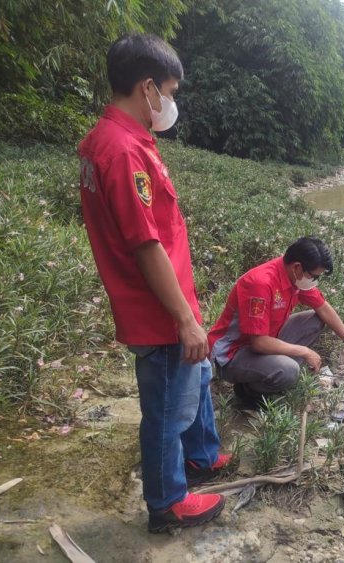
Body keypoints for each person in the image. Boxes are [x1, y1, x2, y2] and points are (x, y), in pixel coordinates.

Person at [78, 34, 229, 533]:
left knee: (197, 381)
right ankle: (166, 504)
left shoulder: (121, 140)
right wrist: (185, 320)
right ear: (147, 88)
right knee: (166, 409)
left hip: (171, 301)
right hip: (159, 312)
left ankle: (202, 457)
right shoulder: (122, 152)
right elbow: (145, 246)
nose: (171, 103)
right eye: (169, 90)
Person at [209, 237, 344, 402]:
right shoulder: (261, 284)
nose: (315, 281)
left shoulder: (295, 277)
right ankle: (248, 390)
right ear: (297, 267)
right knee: (289, 370)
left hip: (267, 339)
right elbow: (258, 343)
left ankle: (276, 369)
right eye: (314, 276)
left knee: (316, 320)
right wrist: (304, 351)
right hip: (232, 354)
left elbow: (323, 307)